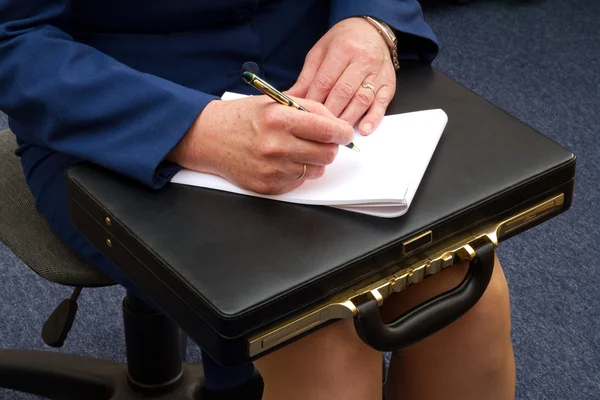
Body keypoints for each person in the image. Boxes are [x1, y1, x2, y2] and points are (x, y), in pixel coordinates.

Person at [0, 1, 516, 399]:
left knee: (468, 292)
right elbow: (13, 39)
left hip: (309, 79)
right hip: (115, 116)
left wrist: (370, 21)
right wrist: (193, 130)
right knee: (316, 336)